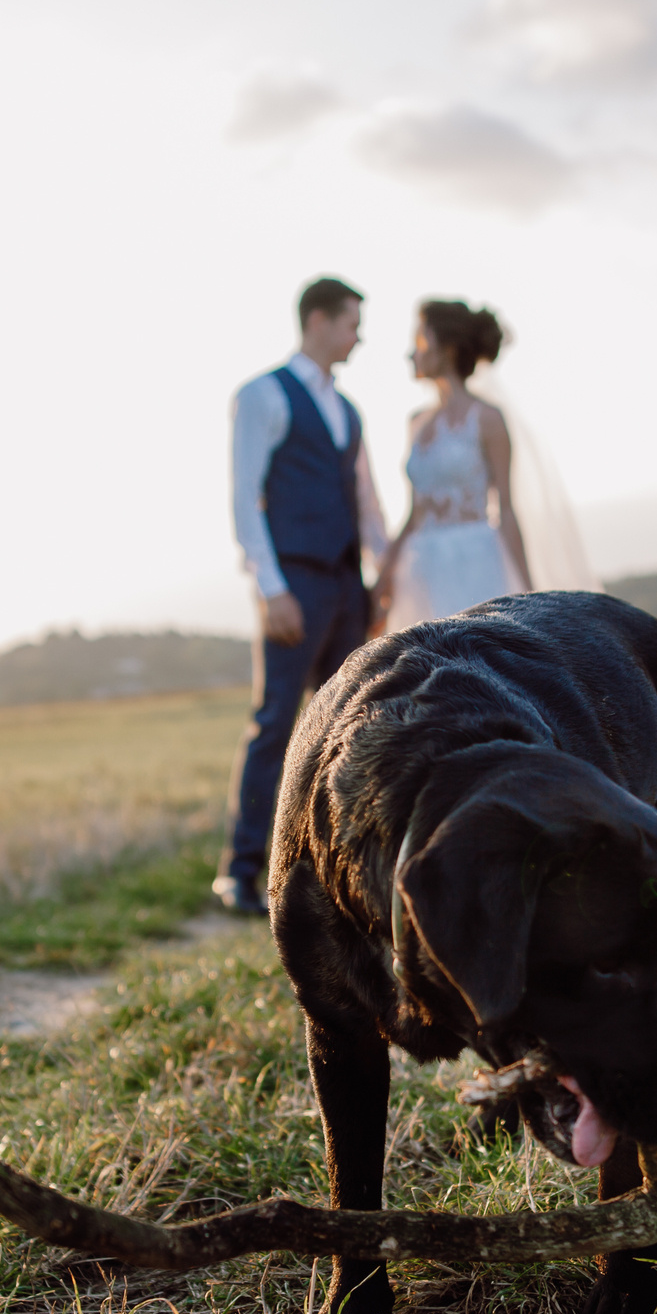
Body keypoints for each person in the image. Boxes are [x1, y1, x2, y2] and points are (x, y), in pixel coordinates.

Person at [215, 276, 390, 918]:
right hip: (294, 582)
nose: (359, 337)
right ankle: (239, 871)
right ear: (318, 320)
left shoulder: (350, 411)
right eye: (352, 323)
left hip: (348, 585)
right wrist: (271, 588)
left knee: (346, 725)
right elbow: (245, 497)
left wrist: (382, 572)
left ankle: (327, 868)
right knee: (275, 723)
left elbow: (366, 502)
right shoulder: (263, 395)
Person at [375, 300, 531, 634]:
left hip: (474, 562)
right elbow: (414, 511)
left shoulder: (487, 418)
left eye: (418, 343)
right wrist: (386, 571)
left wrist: (530, 593)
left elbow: (506, 507)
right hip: (419, 569)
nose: (410, 354)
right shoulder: (415, 422)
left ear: (446, 350)